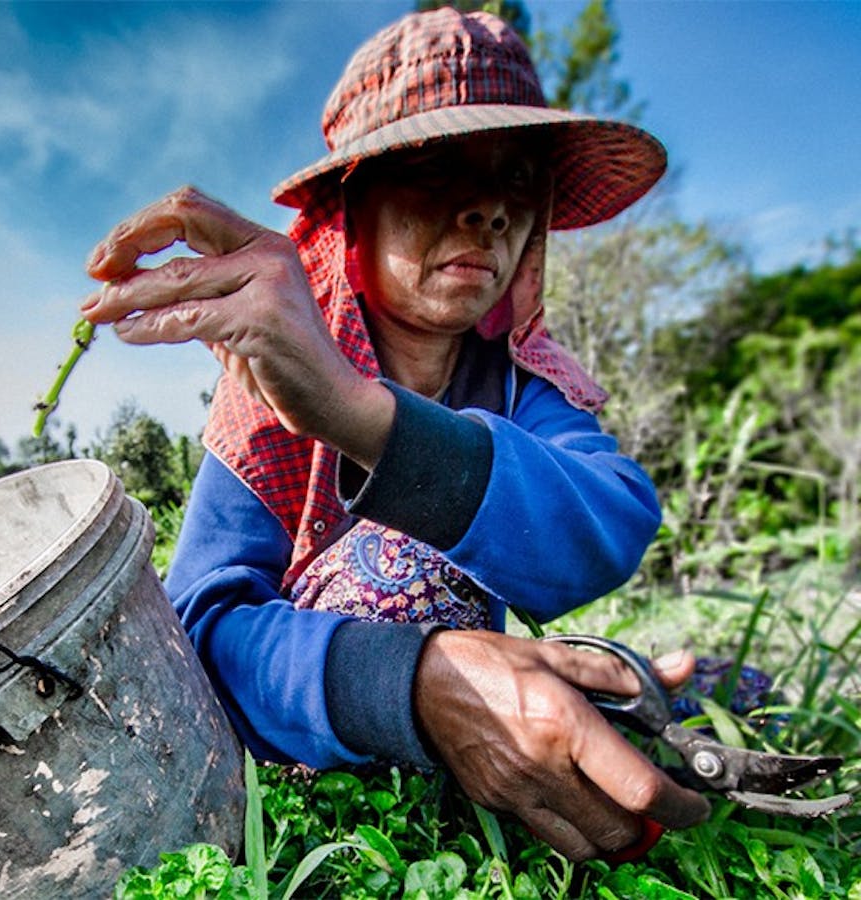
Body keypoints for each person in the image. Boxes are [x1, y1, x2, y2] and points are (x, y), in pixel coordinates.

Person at [80, 7, 710, 861]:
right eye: (436, 168)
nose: (489, 209)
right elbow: (205, 624)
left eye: (517, 180)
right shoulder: (266, 385)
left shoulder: (521, 386)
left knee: (683, 690)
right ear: (352, 209)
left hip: (454, 710)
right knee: (398, 568)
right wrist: (415, 683)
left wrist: (361, 417)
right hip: (310, 745)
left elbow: (612, 522)